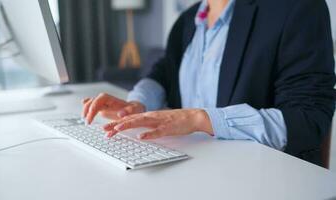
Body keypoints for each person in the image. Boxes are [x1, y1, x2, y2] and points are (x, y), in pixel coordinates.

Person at [82, 0, 336, 166]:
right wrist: (136, 104)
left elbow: (308, 119)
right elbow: (163, 74)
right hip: (187, 166)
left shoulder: (297, 8)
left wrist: (200, 119)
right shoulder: (188, 20)